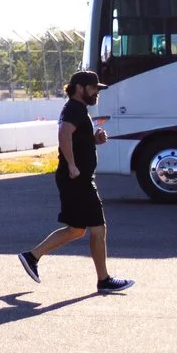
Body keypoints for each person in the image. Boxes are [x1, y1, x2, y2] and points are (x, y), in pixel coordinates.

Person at [18, 69, 133, 293]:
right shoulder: (74, 109)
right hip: (77, 179)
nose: (96, 93)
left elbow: (76, 137)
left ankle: (32, 257)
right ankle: (104, 280)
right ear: (80, 88)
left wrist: (94, 140)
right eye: (93, 88)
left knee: (77, 230)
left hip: (77, 178)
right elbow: (64, 134)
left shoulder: (78, 109)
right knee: (98, 229)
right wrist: (71, 164)